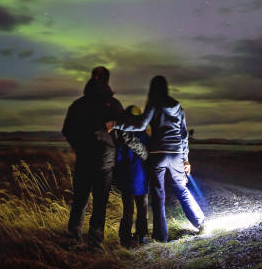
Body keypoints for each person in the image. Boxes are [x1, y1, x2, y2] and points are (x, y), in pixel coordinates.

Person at [107, 75, 204, 242]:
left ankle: (161, 237)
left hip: (158, 154)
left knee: (158, 196)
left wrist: (116, 124)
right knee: (181, 188)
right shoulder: (177, 105)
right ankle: (200, 222)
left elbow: (140, 125)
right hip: (176, 155)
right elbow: (184, 134)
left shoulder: (154, 103)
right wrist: (186, 159)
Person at [62, 67, 147, 248]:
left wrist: (79, 147)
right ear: (107, 80)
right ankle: (95, 242)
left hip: (84, 159)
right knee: (100, 204)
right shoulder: (113, 105)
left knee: (80, 201)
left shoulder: (78, 105)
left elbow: (67, 131)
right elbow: (126, 134)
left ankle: (73, 239)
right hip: (105, 162)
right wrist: (145, 154)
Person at [114, 105, 150, 247]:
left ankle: (125, 239)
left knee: (128, 209)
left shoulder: (122, 134)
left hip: (128, 176)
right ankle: (142, 236)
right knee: (142, 208)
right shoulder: (145, 133)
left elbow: (119, 157)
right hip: (142, 176)